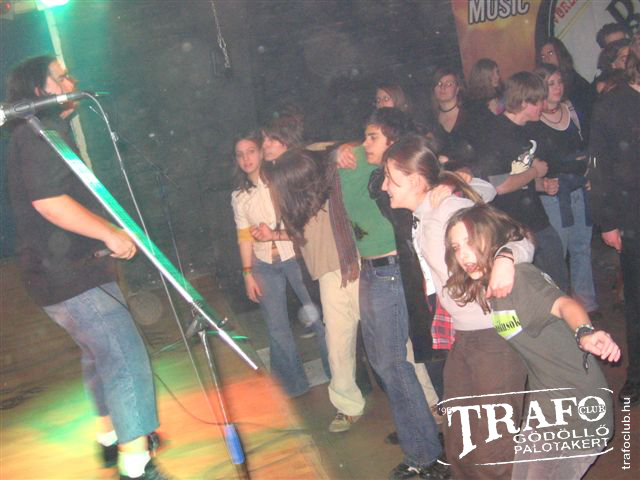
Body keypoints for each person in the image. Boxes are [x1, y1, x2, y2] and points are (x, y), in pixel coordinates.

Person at [5, 55, 168, 480]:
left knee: (99, 356)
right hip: (69, 274)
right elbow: (49, 202)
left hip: (60, 273)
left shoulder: (36, 133)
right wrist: (110, 234)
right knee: (124, 355)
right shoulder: (39, 133)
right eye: (60, 77)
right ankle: (138, 466)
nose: (70, 81)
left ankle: (112, 438)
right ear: (39, 90)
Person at [380, 133, 533, 479]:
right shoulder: (427, 211)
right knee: (460, 440)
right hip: (465, 336)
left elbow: (520, 237)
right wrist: (458, 180)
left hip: (496, 332)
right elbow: (484, 191)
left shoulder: (447, 210)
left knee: (494, 447)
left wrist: (506, 258)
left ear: (415, 180)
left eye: (391, 178)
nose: (385, 186)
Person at [444, 203, 619, 479]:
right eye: (456, 247)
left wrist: (585, 332)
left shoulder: (520, 279)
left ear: (492, 236)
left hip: (577, 410)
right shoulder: (497, 285)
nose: (463, 254)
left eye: (470, 242)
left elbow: (564, 305)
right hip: (546, 409)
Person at [338, 108, 446, 480]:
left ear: (393, 142)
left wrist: (453, 179)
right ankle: (420, 435)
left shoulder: (400, 177)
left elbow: (445, 179)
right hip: (371, 272)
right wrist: (337, 151)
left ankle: (425, 453)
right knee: (386, 363)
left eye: (372, 136)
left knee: (393, 363)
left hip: (392, 272)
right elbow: (312, 155)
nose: (363, 143)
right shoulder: (366, 170)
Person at [262, 147, 366, 432]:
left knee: (390, 339)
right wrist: (273, 235)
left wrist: (335, 153)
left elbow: (337, 148)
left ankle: (429, 399)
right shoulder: (298, 200)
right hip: (328, 275)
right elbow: (303, 235)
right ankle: (348, 406)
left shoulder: (323, 176)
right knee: (337, 346)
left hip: (356, 266)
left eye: (271, 141)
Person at [230, 132, 329, 398]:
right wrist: (247, 273)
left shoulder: (280, 179)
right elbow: (243, 237)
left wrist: (273, 233)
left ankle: (339, 376)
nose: (246, 158)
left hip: (295, 257)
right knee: (276, 327)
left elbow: (303, 222)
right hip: (264, 264)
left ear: (261, 152)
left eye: (251, 151)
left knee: (320, 320)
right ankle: (292, 387)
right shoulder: (239, 196)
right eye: (240, 155)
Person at [473, 71, 569, 293]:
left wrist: (542, 185)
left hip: (535, 217)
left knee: (557, 278)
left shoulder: (527, 129)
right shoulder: (495, 132)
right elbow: (500, 186)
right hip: (510, 224)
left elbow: (519, 175)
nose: (543, 105)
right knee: (533, 288)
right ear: (525, 102)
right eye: (539, 100)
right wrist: (535, 172)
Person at [589, 47, 640, 406]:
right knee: (636, 301)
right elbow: (600, 167)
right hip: (633, 216)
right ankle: (637, 375)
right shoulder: (611, 106)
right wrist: (607, 221)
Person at [529, 63, 598, 314]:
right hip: (554, 197)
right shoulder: (534, 120)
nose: (557, 88)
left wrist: (590, 173)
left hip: (578, 190)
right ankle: (560, 311)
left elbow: (587, 148)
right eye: (551, 84)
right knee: (557, 255)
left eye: (559, 82)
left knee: (582, 249)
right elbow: (527, 163)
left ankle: (585, 306)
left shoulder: (571, 109)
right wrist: (541, 183)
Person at [538, 37, 592, 135]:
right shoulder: (538, 86)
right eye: (543, 56)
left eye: (550, 53)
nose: (546, 59)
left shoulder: (578, 84)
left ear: (560, 54)